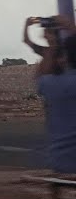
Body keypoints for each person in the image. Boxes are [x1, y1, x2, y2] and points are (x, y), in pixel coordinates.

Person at [37, 21, 76, 174]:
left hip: (61, 163)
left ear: (65, 58)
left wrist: (52, 45)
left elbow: (41, 76)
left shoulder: (51, 84)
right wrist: (72, 28)